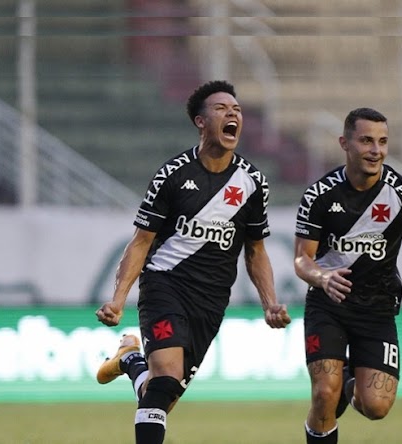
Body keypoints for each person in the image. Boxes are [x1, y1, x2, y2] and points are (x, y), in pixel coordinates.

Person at [95, 80, 291, 444]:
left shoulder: (252, 183)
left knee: (159, 396)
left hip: (212, 300)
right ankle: (135, 361)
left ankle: (130, 360)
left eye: (237, 110)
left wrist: (270, 303)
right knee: (166, 378)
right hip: (164, 285)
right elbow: (141, 242)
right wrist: (118, 299)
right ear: (201, 122)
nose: (232, 114)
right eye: (221, 108)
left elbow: (256, 251)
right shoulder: (173, 174)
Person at [293, 107, 402, 443]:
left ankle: (349, 379)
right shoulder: (320, 196)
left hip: (377, 308)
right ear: (345, 143)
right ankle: (334, 391)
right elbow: (301, 260)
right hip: (328, 305)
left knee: (375, 406)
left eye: (382, 141)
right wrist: (322, 278)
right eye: (366, 140)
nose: (375, 150)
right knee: (324, 393)